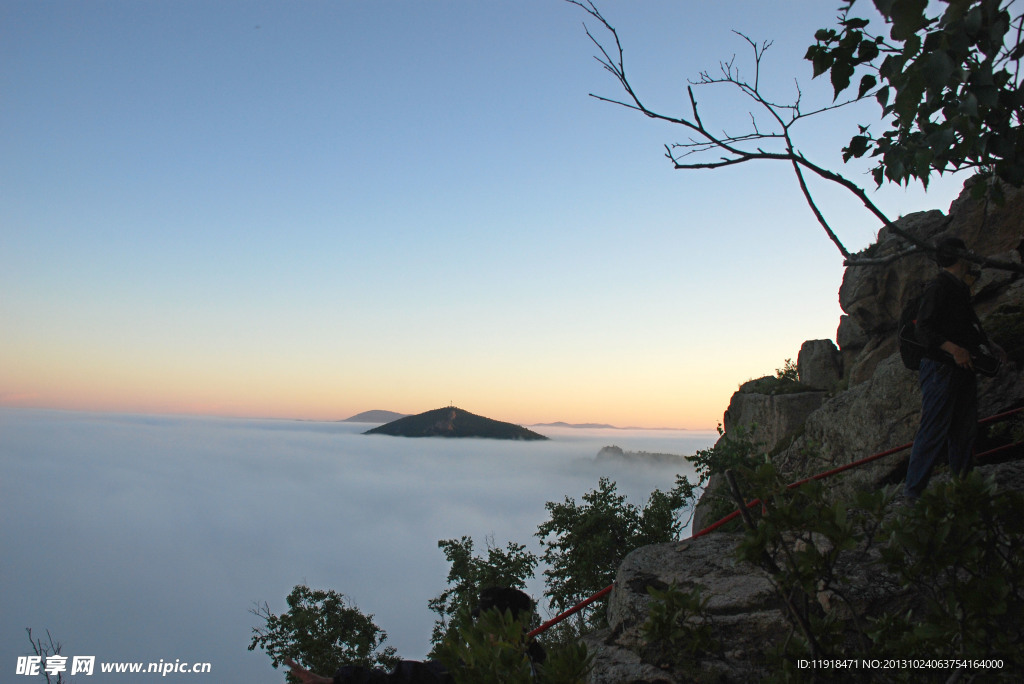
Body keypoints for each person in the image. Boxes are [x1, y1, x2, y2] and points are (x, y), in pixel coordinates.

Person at [903, 237, 1004, 501]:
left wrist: (987, 343)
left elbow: (963, 326)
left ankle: (964, 488)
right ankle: (913, 497)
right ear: (959, 256)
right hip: (941, 368)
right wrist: (954, 349)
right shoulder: (939, 287)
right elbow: (923, 328)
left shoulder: (958, 287)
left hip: (961, 365)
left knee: (964, 429)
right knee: (933, 431)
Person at [284, 587, 543, 684]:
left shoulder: (536, 661)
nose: (480, 629)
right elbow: (404, 680)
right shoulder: (469, 667)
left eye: (486, 621)